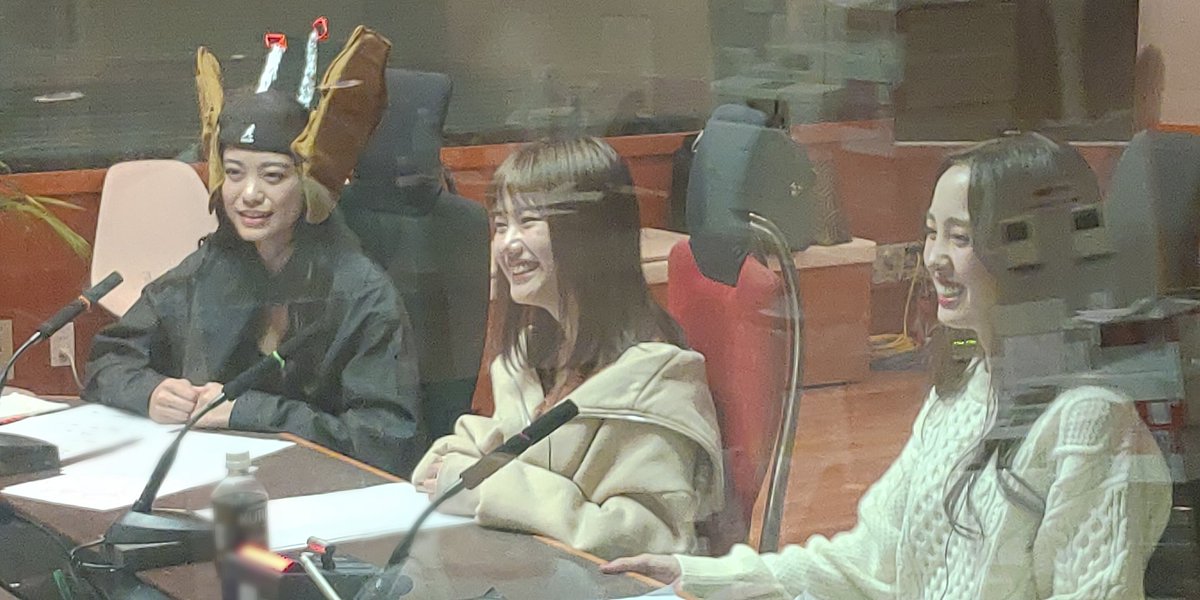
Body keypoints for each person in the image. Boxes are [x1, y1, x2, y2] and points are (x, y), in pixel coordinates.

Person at [603, 132, 1173, 599]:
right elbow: (871, 560)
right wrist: (698, 576)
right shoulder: (963, 389)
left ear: (1033, 252)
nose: (935, 259)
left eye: (961, 237)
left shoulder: (1090, 423)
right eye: (931, 233)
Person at [83, 26, 428, 476]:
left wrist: (250, 411)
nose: (248, 194)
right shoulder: (208, 267)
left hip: (319, 491)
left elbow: (387, 439)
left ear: (307, 184)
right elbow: (110, 359)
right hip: (211, 477)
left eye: (272, 176)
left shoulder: (360, 292)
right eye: (234, 173)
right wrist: (149, 392)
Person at [410, 136, 724, 560]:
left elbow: (652, 537)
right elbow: (482, 452)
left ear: (589, 232)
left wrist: (491, 488)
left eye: (529, 222)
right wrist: (467, 469)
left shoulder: (655, 380)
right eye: (500, 225)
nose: (508, 244)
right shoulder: (533, 356)